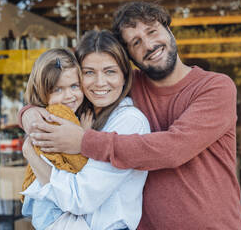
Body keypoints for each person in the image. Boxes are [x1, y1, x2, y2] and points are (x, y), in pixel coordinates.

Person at [20, 1, 241, 229]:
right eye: (136, 42)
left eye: (152, 31)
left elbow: (174, 148)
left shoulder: (215, 87)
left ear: (169, 30)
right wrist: (29, 115)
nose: (149, 44)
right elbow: (63, 91)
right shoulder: (123, 86)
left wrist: (83, 141)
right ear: (130, 57)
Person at [20, 33, 150, 230]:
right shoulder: (80, 113)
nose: (99, 82)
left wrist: (31, 155)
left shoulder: (129, 121)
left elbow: (79, 199)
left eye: (110, 72)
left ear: (125, 75)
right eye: (89, 72)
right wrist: (27, 112)